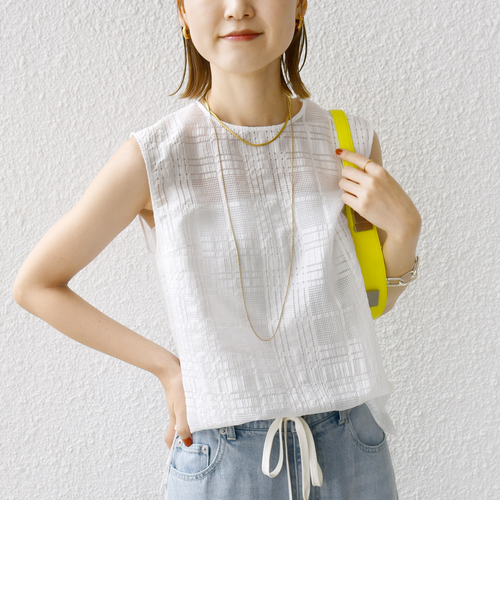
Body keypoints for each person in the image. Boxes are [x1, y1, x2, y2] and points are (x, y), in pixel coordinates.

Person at [12, 0, 422, 500]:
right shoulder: (158, 155)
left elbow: (366, 304)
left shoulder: (348, 140)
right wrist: (168, 369)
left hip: (351, 448)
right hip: (226, 457)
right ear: (183, 13)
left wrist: (406, 232)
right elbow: (36, 286)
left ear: (299, 7)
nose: (237, 9)